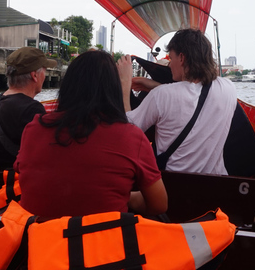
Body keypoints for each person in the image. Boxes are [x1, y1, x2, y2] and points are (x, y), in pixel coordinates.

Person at [15, 51, 167, 218]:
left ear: (68, 86)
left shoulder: (33, 128)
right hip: (102, 241)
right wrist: (128, 197)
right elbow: (159, 205)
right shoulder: (131, 137)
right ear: (113, 88)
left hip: (41, 240)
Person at [126, 29, 237, 175]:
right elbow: (193, 96)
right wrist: (153, 85)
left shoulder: (161, 95)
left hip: (174, 186)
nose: (169, 65)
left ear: (182, 58)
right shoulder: (228, 89)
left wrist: (123, 83)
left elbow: (126, 131)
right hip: (216, 185)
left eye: (171, 59)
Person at [0, 47, 57, 171]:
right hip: (19, 182)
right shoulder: (32, 109)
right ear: (34, 75)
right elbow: (46, 154)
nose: (45, 76)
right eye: (44, 71)